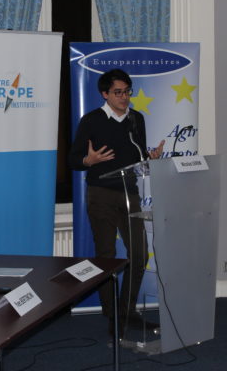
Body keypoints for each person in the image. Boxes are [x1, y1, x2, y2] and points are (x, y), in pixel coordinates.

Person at [69, 68, 164, 337]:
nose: (124, 97)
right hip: (101, 194)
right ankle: (112, 315)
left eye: (127, 92)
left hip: (129, 193)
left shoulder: (136, 119)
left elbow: (136, 155)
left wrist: (149, 158)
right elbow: (73, 160)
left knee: (139, 254)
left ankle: (127, 311)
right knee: (107, 257)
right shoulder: (91, 120)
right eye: (118, 92)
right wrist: (89, 160)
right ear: (105, 94)